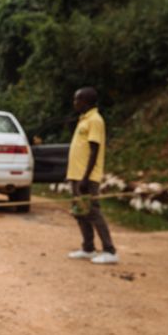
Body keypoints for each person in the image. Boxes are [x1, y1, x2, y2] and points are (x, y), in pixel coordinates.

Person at [65, 86, 117, 264]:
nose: (75, 103)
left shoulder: (95, 120)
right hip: (76, 175)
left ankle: (110, 251)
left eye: (77, 99)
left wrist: (86, 178)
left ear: (86, 101)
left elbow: (94, 150)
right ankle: (88, 248)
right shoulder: (83, 119)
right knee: (80, 212)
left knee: (93, 212)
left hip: (86, 177)